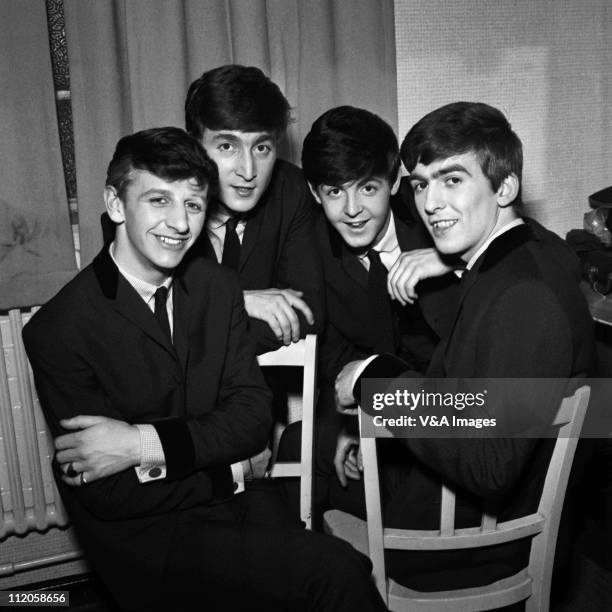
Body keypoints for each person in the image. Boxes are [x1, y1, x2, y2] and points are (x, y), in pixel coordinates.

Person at [23, 127, 386, 612]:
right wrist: (232, 470)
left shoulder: (217, 286)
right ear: (115, 204)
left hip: (236, 505)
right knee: (333, 573)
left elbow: (252, 419)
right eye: (158, 201)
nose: (179, 223)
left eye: (193, 205)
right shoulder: (58, 329)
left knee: (339, 565)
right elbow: (109, 492)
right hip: (149, 537)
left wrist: (138, 444)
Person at [330, 101, 594, 591]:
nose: (429, 203)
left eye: (452, 180)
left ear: (506, 187)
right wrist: (449, 262)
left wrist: (376, 385)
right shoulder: (527, 261)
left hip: (469, 546)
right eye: (420, 183)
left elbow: (488, 463)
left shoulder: (523, 298)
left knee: (307, 502)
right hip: (473, 518)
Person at [278, 105, 458, 521]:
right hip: (372, 411)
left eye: (367, 188)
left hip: (448, 416)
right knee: (299, 447)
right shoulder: (311, 249)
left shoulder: (439, 222)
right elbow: (331, 351)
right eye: (335, 192)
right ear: (313, 191)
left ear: (395, 181)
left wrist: (448, 259)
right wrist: (354, 423)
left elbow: (528, 246)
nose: (353, 209)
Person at [185, 64, 324, 354]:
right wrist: (236, 300)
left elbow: (307, 313)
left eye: (261, 148)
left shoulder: (291, 190)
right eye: (227, 146)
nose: (248, 171)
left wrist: (200, 323)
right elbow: (143, 314)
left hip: (256, 395)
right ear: (195, 146)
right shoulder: (159, 193)